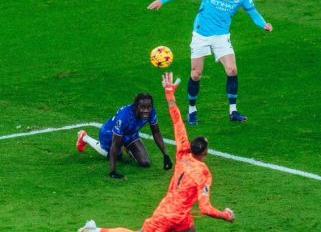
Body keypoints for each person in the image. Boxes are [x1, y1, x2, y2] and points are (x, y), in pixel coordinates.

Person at [78, 73, 235, 232]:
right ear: (205, 153)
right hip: (167, 216)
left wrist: (169, 93)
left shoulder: (183, 152)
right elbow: (205, 208)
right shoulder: (204, 173)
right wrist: (225, 215)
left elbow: (177, 121)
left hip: (181, 215)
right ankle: (95, 230)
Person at [148, 0, 273, 125]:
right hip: (201, 35)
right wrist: (162, 0)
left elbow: (253, 12)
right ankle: (192, 110)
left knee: (232, 69)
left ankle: (233, 111)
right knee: (196, 74)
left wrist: (263, 24)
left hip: (221, 36)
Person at [76, 93, 173, 179]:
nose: (146, 110)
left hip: (130, 134)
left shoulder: (151, 112)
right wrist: (112, 171)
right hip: (109, 134)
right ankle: (84, 137)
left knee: (145, 162)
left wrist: (165, 155)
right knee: (117, 156)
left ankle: (127, 147)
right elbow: (115, 143)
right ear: (136, 107)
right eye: (143, 107)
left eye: (148, 107)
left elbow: (156, 132)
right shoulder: (124, 117)